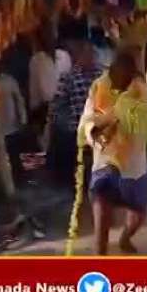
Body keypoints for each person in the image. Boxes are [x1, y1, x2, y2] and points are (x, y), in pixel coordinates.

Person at [78, 52, 147, 255]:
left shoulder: (142, 91)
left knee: (138, 215)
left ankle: (125, 238)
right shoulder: (99, 87)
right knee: (101, 219)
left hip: (134, 167)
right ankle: (100, 266)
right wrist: (96, 131)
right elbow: (87, 120)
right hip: (105, 164)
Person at [47, 40, 103, 187]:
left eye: (92, 55)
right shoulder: (69, 77)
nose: (90, 58)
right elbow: (57, 101)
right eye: (86, 55)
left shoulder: (102, 74)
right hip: (78, 126)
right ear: (79, 57)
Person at [0, 61, 28, 186]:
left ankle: (19, 180)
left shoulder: (9, 81)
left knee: (14, 155)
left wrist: (23, 119)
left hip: (11, 124)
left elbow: (19, 100)